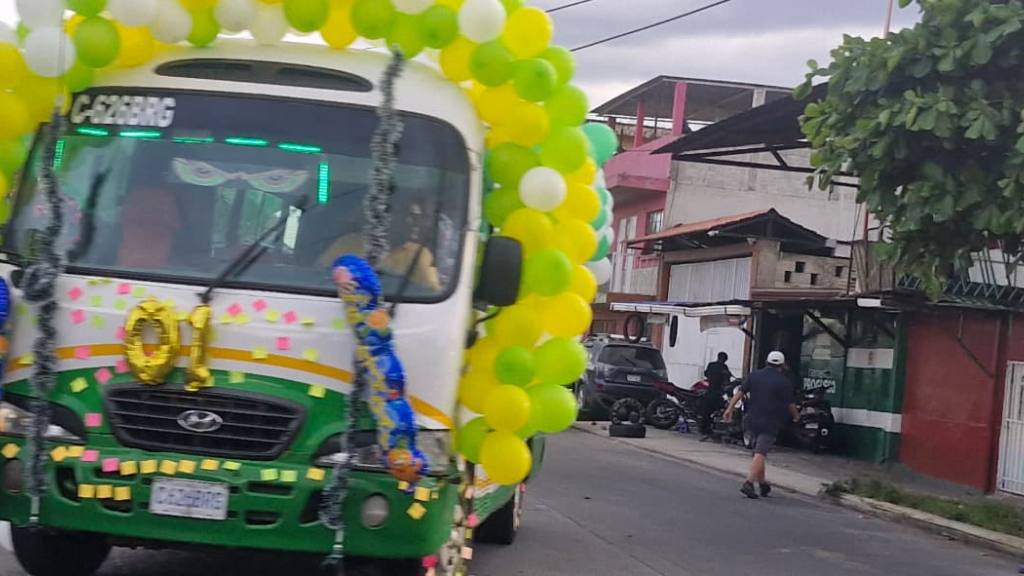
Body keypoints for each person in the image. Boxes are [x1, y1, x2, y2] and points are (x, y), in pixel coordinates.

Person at [723, 350, 800, 499]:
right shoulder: (784, 382)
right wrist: (796, 416)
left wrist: (729, 408)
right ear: (782, 365)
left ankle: (763, 484)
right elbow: (790, 404)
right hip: (771, 421)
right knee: (760, 453)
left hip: (752, 419)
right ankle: (749, 483)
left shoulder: (754, 375)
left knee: (758, 452)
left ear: (767, 362)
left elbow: (740, 392)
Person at [699, 352, 732, 438]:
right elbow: (728, 379)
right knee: (720, 408)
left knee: (707, 411)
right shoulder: (724, 367)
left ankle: (704, 428)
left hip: (710, 391)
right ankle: (711, 427)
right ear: (725, 360)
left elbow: (706, 373)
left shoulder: (711, 365)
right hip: (718, 392)